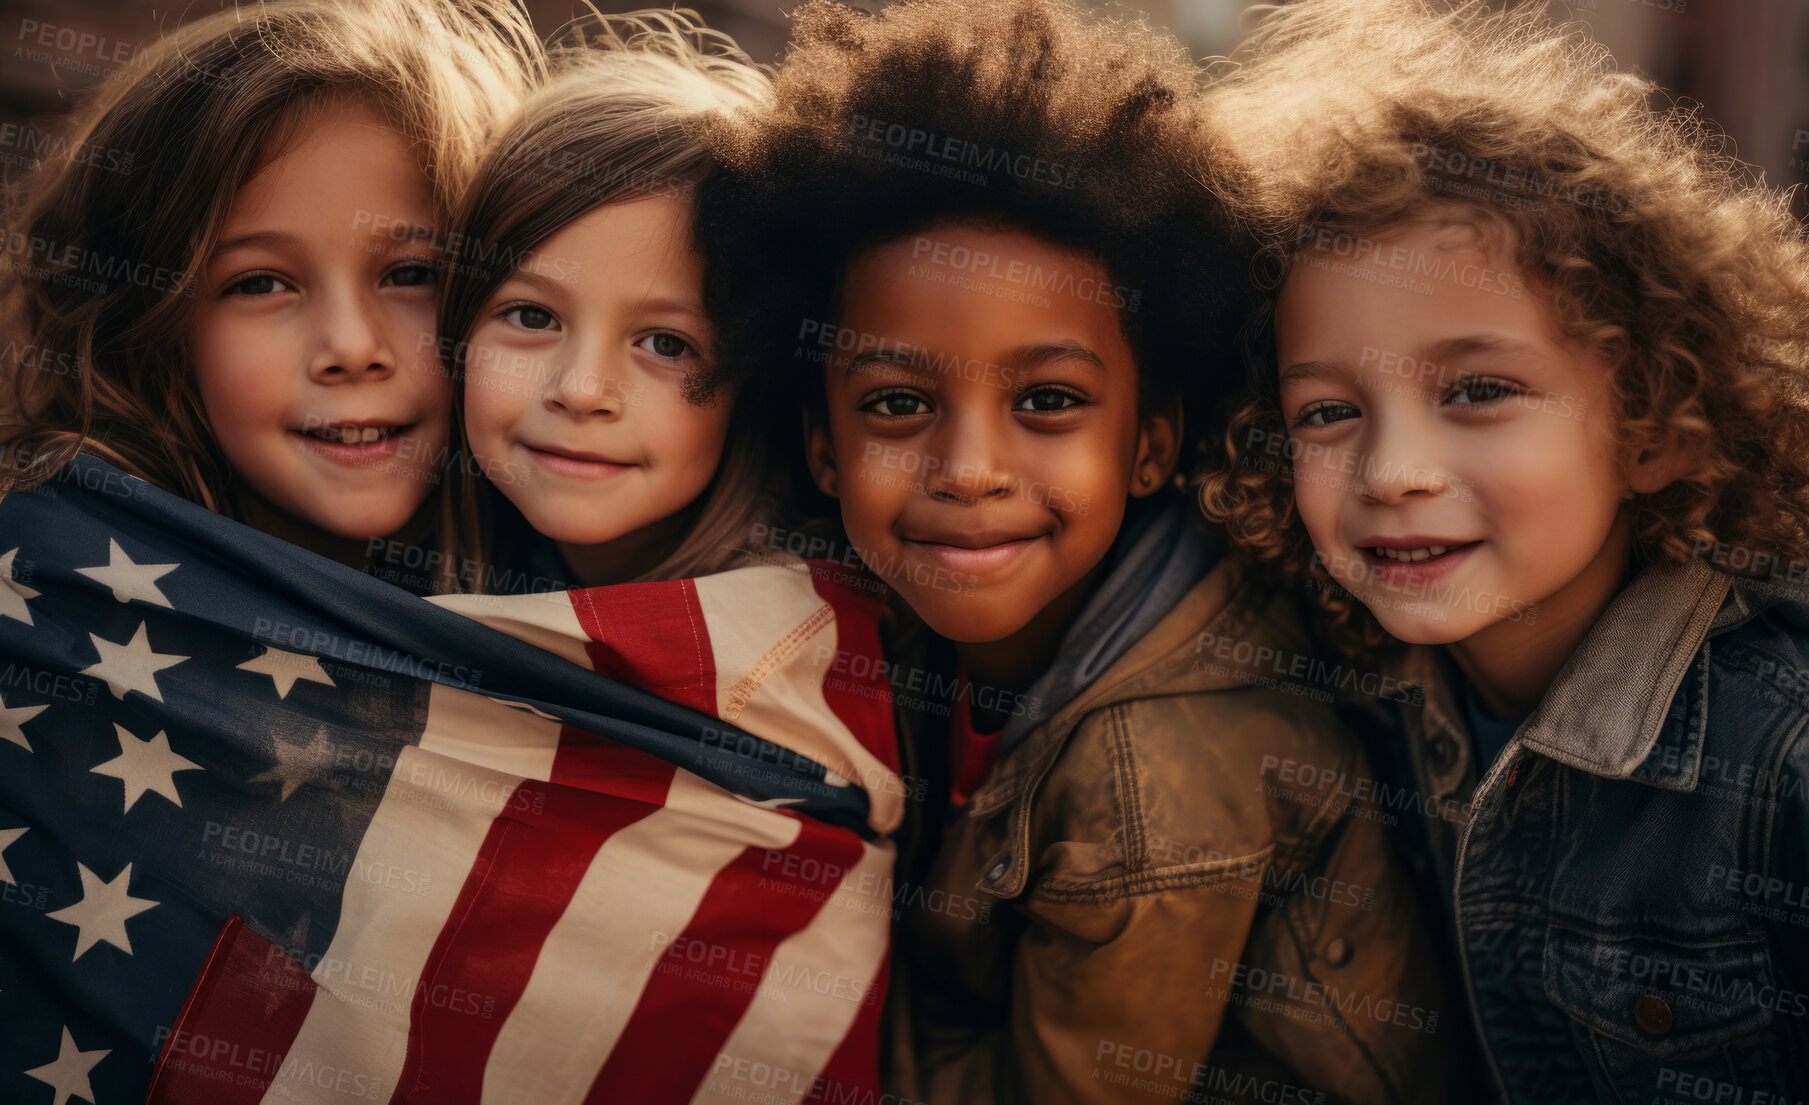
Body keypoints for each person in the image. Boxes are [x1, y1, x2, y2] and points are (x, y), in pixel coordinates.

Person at [702, 1, 1452, 1101]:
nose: (968, 469)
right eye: (899, 403)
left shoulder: (1152, 777)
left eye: (1047, 401)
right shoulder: (859, 629)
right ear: (821, 442)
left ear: (1151, 443)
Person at [1199, 0, 1809, 1099]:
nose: (1393, 472)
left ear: (1655, 425)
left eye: (1479, 391)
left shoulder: (1782, 766)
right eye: (1327, 413)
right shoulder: (1332, 690)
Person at [0, 0, 544, 595]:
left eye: (413, 274)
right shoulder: (47, 602)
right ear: (146, 331)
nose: (354, 347)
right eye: (259, 283)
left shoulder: (606, 601)